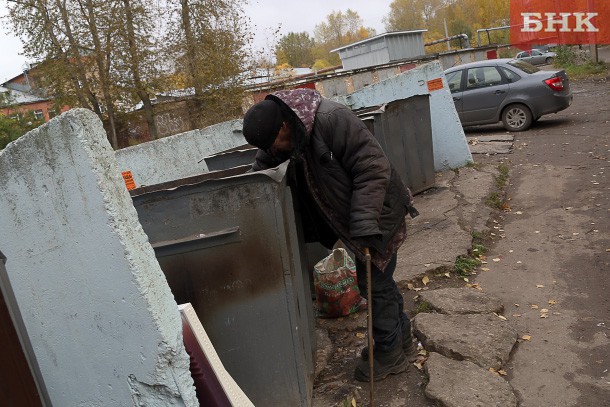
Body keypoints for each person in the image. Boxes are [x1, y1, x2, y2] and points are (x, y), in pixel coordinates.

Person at [242, 88, 418, 382]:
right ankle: (401, 337)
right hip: (355, 219)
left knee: (374, 283)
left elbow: (372, 168)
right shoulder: (280, 134)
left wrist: (364, 224)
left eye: (277, 143)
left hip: (379, 213)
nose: (277, 151)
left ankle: (389, 354)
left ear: (284, 125)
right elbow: (261, 170)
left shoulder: (332, 119)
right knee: (379, 280)